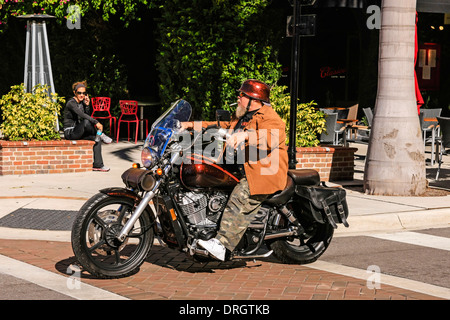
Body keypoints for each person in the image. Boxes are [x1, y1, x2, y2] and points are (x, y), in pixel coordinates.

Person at [182, 79, 289, 261]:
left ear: (253, 100)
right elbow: (220, 125)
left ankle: (222, 245)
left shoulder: (270, 118)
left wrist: (246, 135)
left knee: (241, 198)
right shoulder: (241, 117)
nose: (238, 98)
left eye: (242, 95)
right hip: (240, 168)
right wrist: (190, 125)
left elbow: (273, 136)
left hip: (263, 172)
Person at [63, 81, 113, 172]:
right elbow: (82, 116)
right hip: (70, 132)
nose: (82, 95)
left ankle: (98, 165)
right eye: (79, 93)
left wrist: (87, 106)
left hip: (78, 131)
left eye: (84, 93)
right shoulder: (71, 103)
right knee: (87, 122)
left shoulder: (82, 103)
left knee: (96, 138)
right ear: (75, 93)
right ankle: (101, 134)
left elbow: (87, 115)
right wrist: (96, 122)